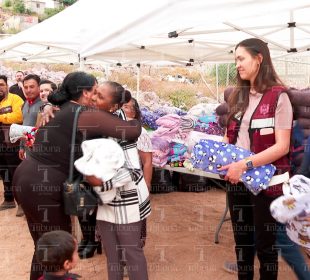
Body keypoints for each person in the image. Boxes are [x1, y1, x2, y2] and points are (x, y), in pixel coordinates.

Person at [12, 71, 142, 280]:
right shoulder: (83, 113)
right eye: (95, 90)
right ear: (84, 92)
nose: (97, 95)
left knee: (45, 247)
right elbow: (131, 131)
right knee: (57, 248)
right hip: (42, 184)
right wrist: (135, 119)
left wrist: (47, 107)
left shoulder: (63, 109)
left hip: (26, 176)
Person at [219, 38, 293, 280]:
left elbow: (282, 146)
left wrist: (244, 164)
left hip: (267, 185)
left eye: (241, 59)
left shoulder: (278, 97)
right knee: (243, 244)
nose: (237, 65)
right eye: (235, 60)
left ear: (259, 58)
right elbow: (231, 136)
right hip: (237, 182)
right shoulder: (238, 96)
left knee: (265, 247)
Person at [85, 82, 151, 280]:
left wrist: (94, 181)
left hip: (127, 202)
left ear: (113, 107)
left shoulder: (123, 130)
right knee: (112, 255)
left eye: (100, 97)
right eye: (94, 93)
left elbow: (131, 171)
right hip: (107, 201)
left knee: (132, 253)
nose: (93, 98)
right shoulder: (98, 122)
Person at [122, 97, 153, 247]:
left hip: (134, 183)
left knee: (134, 217)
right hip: (116, 184)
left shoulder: (140, 132)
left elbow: (147, 161)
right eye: (120, 106)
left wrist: (147, 184)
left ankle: (133, 251)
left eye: (127, 107)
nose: (122, 109)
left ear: (134, 113)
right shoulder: (110, 128)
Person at [0, 75, 24, 211]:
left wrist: (1, 117)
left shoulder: (15, 98)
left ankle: (21, 203)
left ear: (7, 86)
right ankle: (9, 199)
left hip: (12, 144)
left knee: (15, 173)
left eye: (1, 84)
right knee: (4, 173)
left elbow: (19, 116)